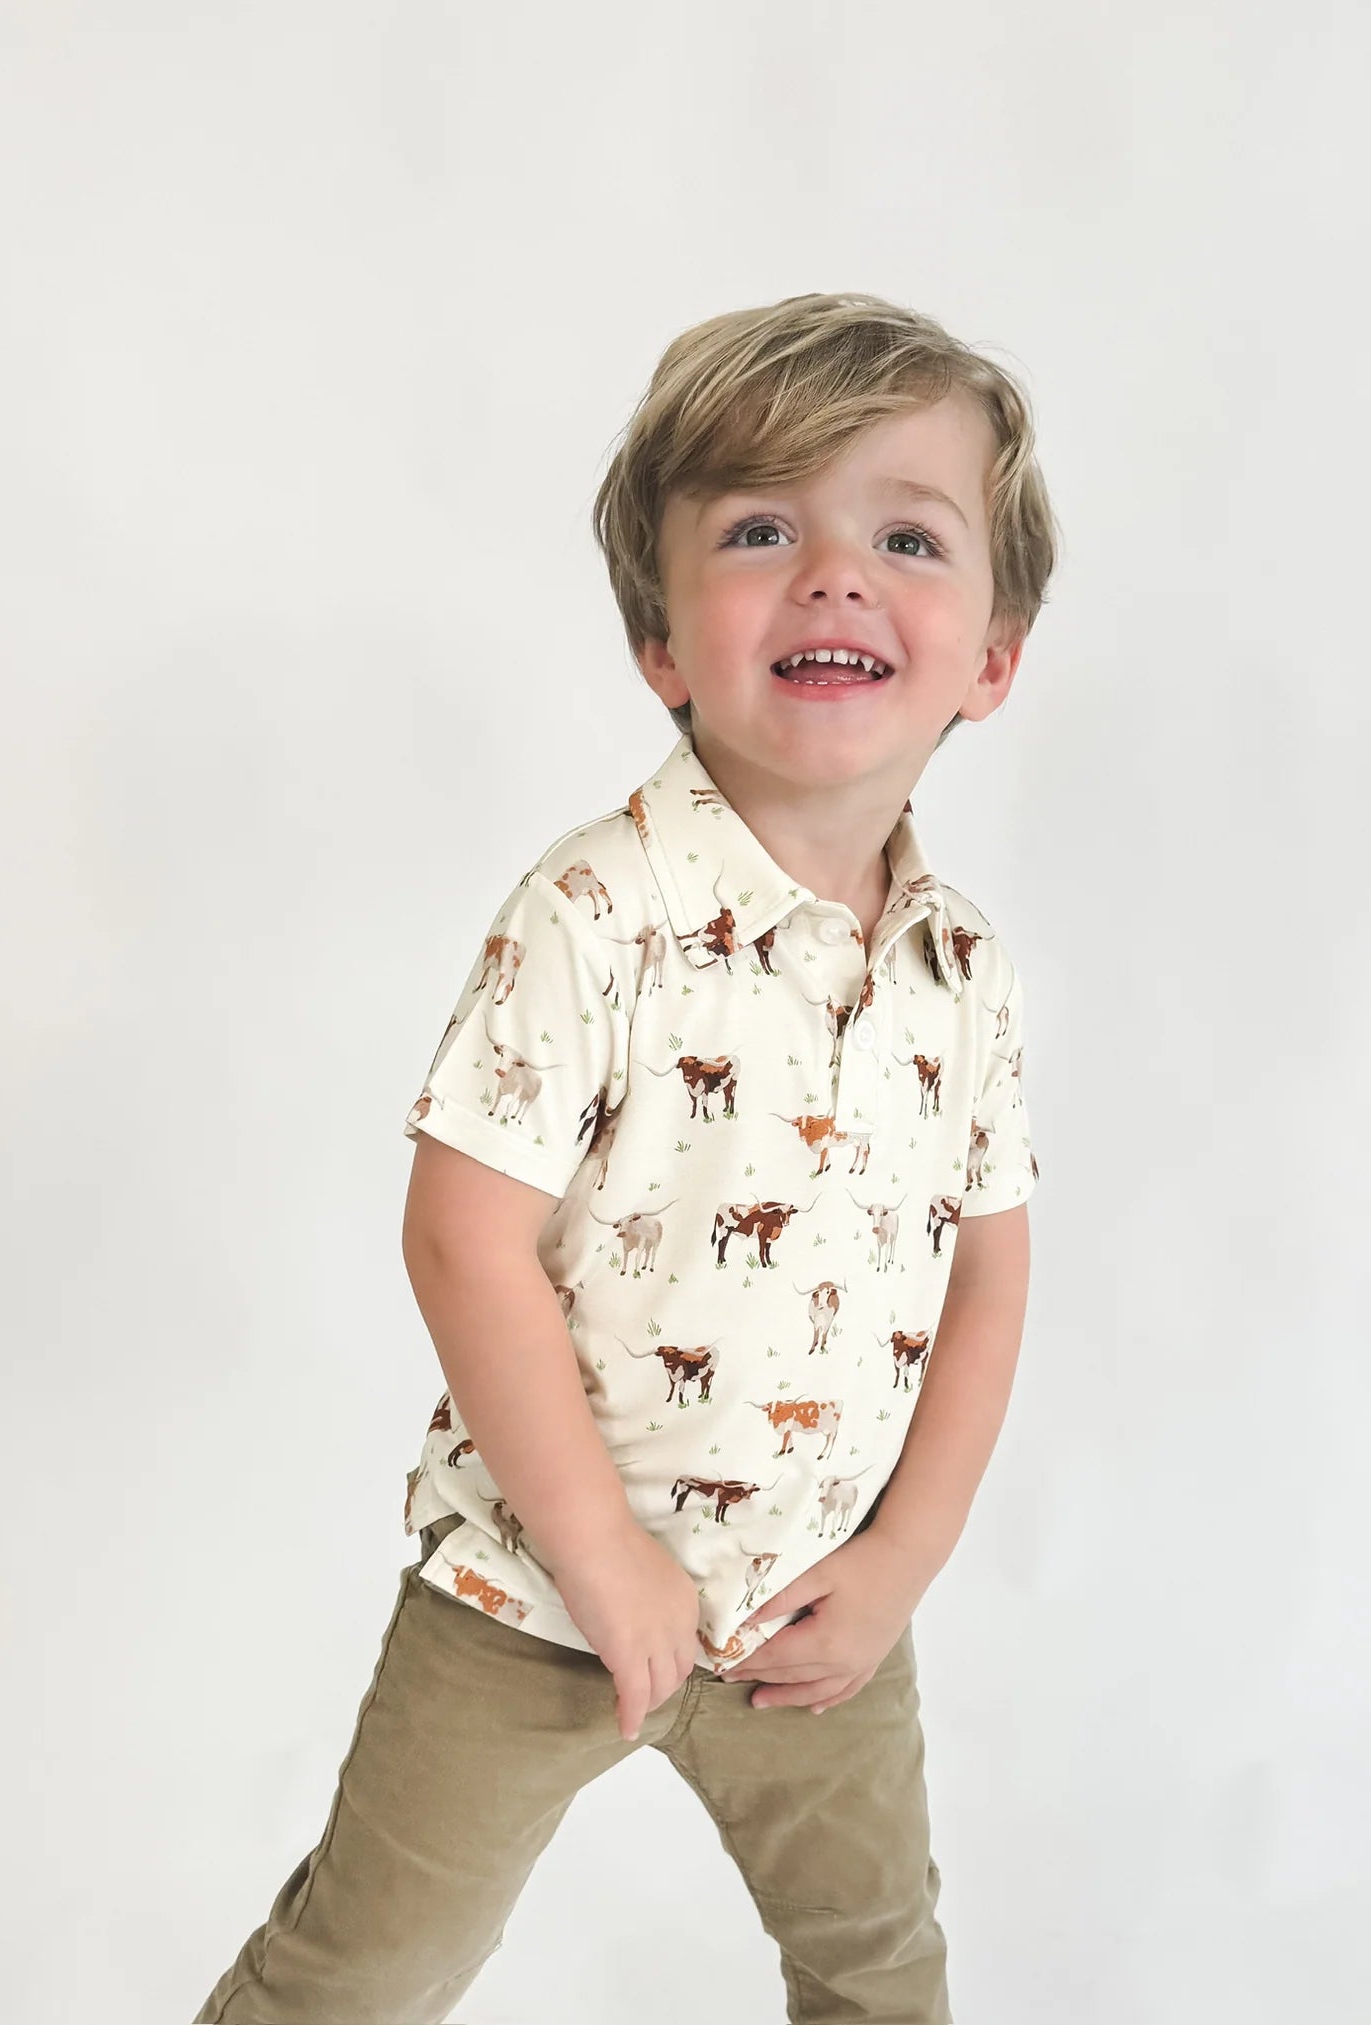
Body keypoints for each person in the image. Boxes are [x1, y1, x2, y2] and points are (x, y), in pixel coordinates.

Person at [193, 288, 1059, 2025]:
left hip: (813, 1615)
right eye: (760, 532)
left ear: (991, 657)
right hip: (528, 1598)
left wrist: (901, 1559)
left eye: (905, 537)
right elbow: (461, 1237)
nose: (833, 577)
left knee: (878, 1966)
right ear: (662, 642)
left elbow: (988, 1268)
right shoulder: (595, 913)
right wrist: (599, 1552)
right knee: (364, 1969)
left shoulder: (961, 966)